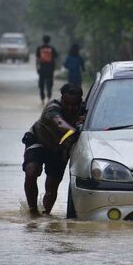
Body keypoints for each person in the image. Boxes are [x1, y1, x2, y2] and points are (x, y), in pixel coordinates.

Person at [22, 83, 84, 216]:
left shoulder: (84, 111)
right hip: (38, 141)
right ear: (62, 100)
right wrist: (74, 130)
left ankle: (45, 214)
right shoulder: (52, 108)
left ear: (80, 102)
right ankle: (33, 213)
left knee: (52, 186)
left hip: (60, 149)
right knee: (32, 171)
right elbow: (59, 122)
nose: (70, 108)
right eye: (67, 104)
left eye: (75, 105)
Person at [36, 35, 59, 104]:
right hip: (50, 68)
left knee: (41, 84)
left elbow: (37, 59)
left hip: (42, 68)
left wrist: (37, 67)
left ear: (43, 40)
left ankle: (42, 99)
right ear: (49, 40)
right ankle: (49, 97)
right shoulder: (52, 48)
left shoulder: (39, 48)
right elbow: (55, 58)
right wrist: (55, 67)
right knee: (49, 83)